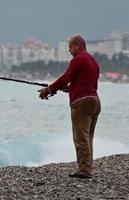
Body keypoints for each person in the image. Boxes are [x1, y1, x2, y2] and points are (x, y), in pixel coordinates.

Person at [38, 34, 101, 179]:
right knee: (88, 137)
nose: (69, 51)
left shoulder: (78, 59)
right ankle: (87, 167)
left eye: (70, 47)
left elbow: (65, 78)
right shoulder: (93, 61)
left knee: (80, 138)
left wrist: (48, 90)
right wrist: (71, 88)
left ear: (78, 46)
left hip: (82, 103)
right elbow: (88, 83)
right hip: (95, 101)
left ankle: (84, 171)